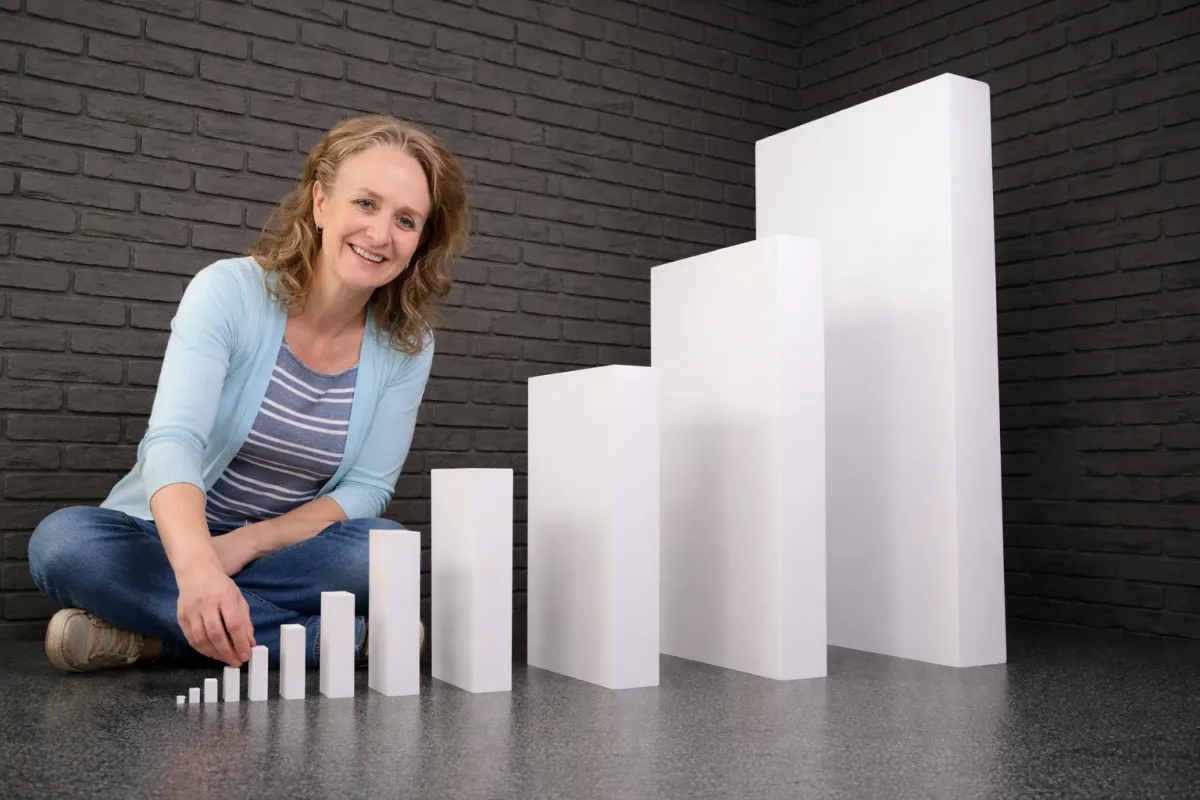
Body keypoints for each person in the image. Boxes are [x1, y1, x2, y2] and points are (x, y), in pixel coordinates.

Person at [26, 114, 470, 673]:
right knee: (64, 545)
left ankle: (153, 639)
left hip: (283, 553)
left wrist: (246, 544)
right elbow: (173, 441)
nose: (381, 234)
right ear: (321, 202)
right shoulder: (228, 291)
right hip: (166, 539)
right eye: (365, 203)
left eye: (406, 220)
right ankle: (328, 642)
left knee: (381, 552)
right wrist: (197, 568)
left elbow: (368, 488)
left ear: (421, 240)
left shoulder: (408, 345)